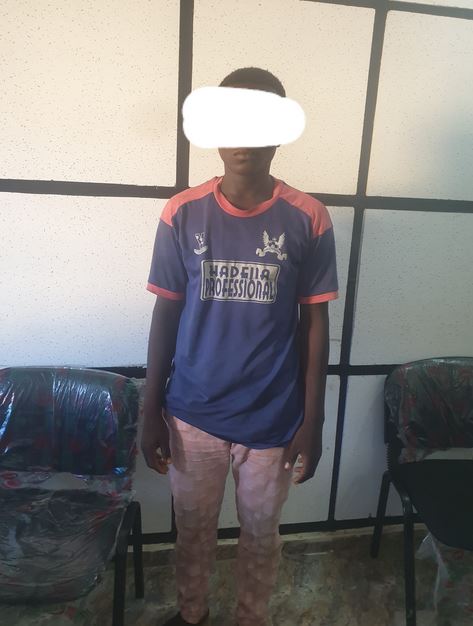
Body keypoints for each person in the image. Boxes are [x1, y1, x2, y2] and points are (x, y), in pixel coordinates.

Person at [141, 67, 338, 626]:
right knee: (192, 530)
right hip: (192, 414)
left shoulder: (309, 217)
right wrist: (150, 411)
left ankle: (251, 617)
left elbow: (315, 323)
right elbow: (165, 312)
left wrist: (314, 421)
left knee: (260, 534)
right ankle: (192, 614)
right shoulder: (182, 213)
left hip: (273, 418)